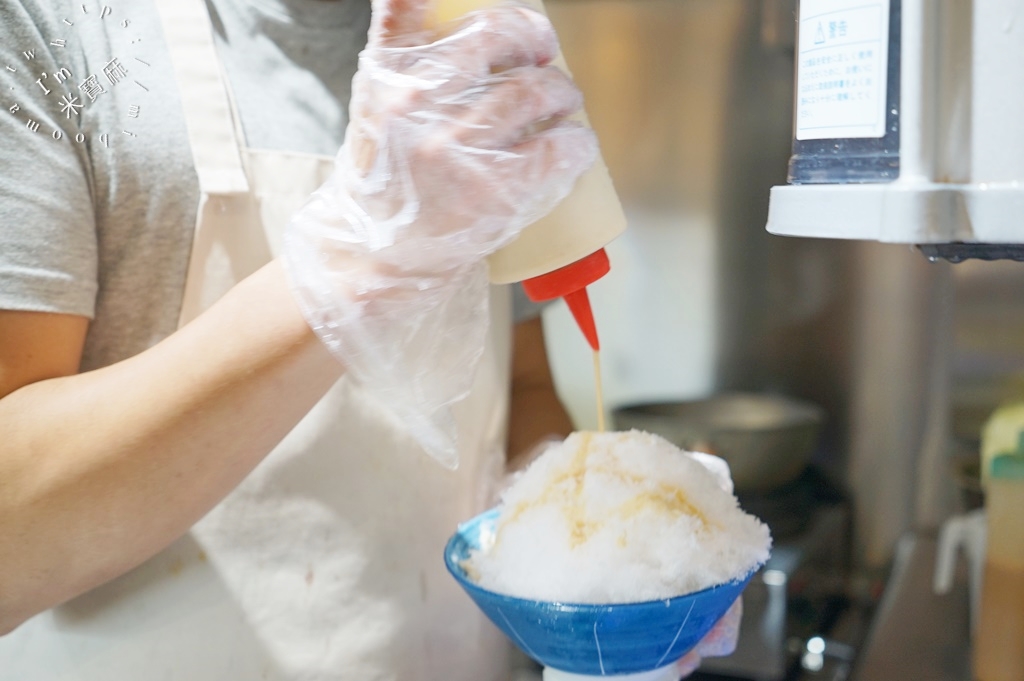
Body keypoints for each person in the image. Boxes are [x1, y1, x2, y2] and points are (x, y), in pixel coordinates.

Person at [0, 0, 738, 678]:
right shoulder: (58, 30)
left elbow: (522, 391)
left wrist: (600, 540)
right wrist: (345, 266)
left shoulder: (468, 46)